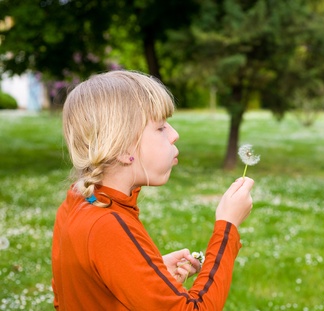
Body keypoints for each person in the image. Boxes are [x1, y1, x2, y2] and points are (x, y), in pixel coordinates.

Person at [51, 70, 255, 310]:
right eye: (160, 128)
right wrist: (227, 227)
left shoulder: (79, 201)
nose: (174, 134)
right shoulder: (107, 225)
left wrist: (149, 272)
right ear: (123, 149)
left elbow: (73, 293)